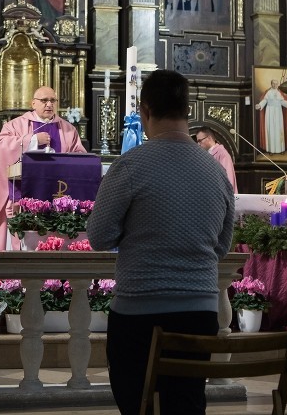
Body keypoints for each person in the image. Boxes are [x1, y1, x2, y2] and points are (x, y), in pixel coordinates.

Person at [87, 70, 234, 415]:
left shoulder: (129, 166)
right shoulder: (216, 172)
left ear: (145, 111)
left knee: (138, 405)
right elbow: (222, 245)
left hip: (140, 313)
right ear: (187, 111)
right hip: (200, 312)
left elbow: (98, 236)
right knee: (186, 405)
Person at [0, 86, 86, 251]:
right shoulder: (17, 125)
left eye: (52, 100)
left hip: (59, 192)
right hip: (25, 193)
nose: (49, 104)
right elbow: (1, 144)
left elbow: (80, 157)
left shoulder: (68, 129)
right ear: (33, 103)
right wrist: (32, 140)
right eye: (44, 100)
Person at [196, 125, 237, 193]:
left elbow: (228, 179)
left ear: (209, 138)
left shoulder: (222, 153)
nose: (198, 144)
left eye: (200, 141)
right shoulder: (205, 154)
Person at [255, 79, 287, 154]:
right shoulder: (268, 92)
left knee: (279, 130)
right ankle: (271, 150)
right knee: (271, 130)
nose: (275, 85)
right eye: (273, 84)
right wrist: (260, 105)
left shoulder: (279, 92)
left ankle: (281, 149)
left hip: (278, 112)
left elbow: (282, 101)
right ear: (271, 84)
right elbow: (265, 101)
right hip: (270, 112)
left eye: (276, 84)